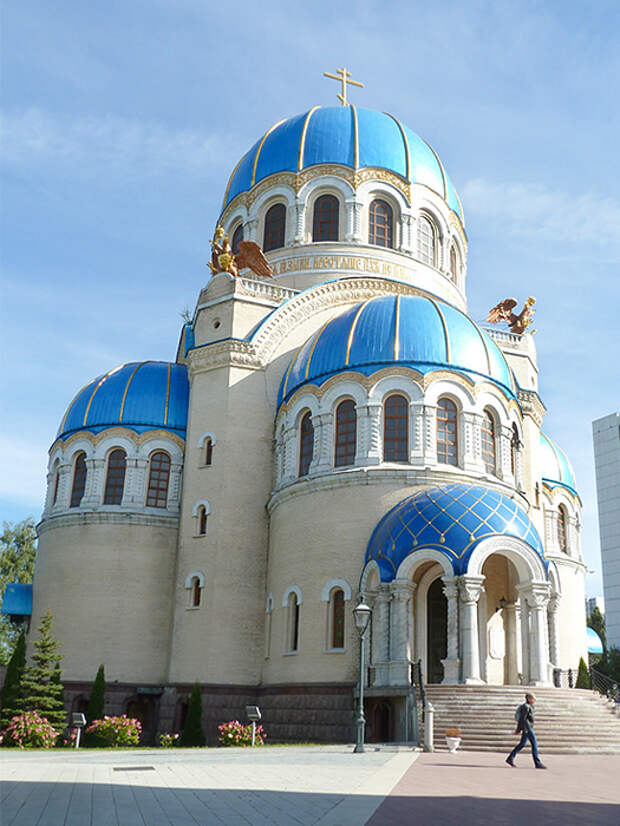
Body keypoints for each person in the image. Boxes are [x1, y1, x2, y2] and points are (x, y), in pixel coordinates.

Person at [506, 693, 547, 769]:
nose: (535, 700)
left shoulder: (530, 706)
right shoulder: (526, 707)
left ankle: (510, 758)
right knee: (534, 744)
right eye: (533, 698)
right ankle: (537, 763)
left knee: (522, 744)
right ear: (529, 699)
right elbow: (522, 719)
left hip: (527, 728)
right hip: (527, 728)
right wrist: (518, 729)